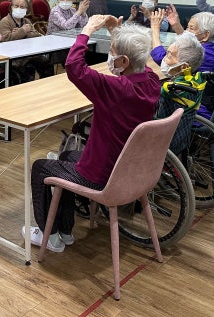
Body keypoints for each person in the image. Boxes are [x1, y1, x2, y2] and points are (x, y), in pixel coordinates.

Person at [25, 17, 163, 252]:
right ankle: (65, 230)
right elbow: (139, 60)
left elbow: (74, 67)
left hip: (102, 176)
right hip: (130, 169)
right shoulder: (152, 82)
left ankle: (48, 235)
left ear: (124, 61)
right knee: (66, 156)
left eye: (112, 52)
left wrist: (87, 30)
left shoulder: (115, 88)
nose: (110, 56)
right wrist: (116, 33)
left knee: (40, 167)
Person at [0, 0, 53, 82]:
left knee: (46, 63)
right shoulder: (5, 21)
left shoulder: (26, 21)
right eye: (16, 6)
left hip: (28, 54)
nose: (19, 9)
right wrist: (23, 30)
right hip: (15, 56)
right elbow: (5, 39)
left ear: (26, 9)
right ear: (11, 7)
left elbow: (36, 35)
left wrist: (20, 33)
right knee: (28, 70)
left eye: (22, 7)